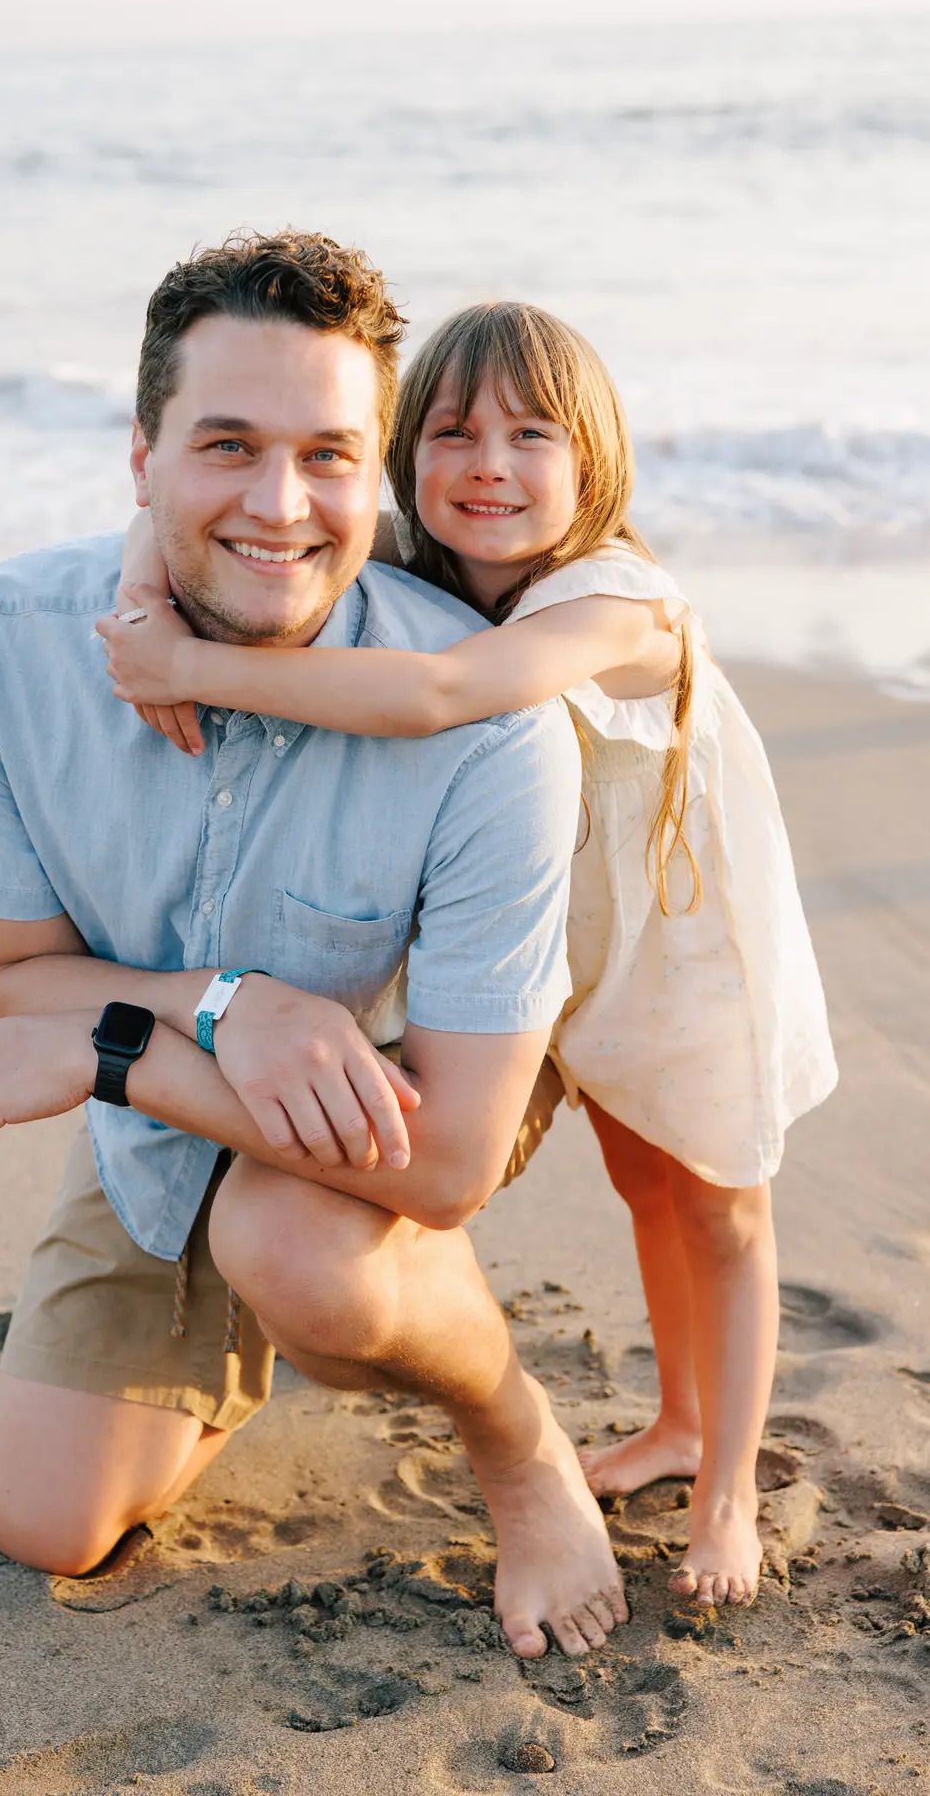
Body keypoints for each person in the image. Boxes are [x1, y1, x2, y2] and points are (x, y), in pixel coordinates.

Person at [0, 232, 629, 1660]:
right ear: (142, 457)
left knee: (298, 1246)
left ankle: (508, 1426)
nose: (280, 504)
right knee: (46, 1529)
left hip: (409, 1087)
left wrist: (117, 1050)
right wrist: (231, 1005)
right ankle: (237, 1311)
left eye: (327, 455)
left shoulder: (487, 730)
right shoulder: (0, 640)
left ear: (376, 472)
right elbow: (7, 985)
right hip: (172, 1088)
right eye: (226, 446)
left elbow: (450, 1160)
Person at [98, 298, 838, 1610]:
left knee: (714, 1205)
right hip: (550, 970)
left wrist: (196, 666)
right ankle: (672, 1422)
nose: (488, 464)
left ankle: (721, 1492)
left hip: (678, 956)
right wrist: (142, 587)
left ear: (592, 454)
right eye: (450, 432)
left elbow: (444, 696)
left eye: (528, 432)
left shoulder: (618, 596)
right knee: (638, 1189)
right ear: (402, 454)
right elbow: (221, 531)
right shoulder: (415, 571)